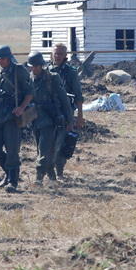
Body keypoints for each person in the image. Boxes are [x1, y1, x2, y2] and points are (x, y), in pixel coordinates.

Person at [0, 45, 33, 191]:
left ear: (9, 58)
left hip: (12, 115)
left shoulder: (19, 71)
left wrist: (22, 108)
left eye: (3, 59)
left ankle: (13, 180)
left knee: (12, 150)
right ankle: (9, 172)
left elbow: (30, 92)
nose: (0, 61)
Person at [28, 51, 74, 184]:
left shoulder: (52, 78)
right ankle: (52, 178)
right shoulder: (29, 79)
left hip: (50, 120)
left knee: (44, 150)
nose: (34, 68)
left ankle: (38, 179)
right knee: (42, 150)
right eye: (32, 66)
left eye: (37, 66)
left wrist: (69, 120)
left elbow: (64, 100)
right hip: (35, 120)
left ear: (41, 65)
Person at [48, 43, 84, 179]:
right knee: (48, 144)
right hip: (48, 112)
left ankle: (60, 173)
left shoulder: (70, 72)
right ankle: (49, 172)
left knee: (62, 144)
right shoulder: (46, 69)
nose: (57, 56)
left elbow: (78, 96)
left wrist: (79, 116)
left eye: (60, 54)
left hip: (65, 112)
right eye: (55, 53)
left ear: (65, 56)